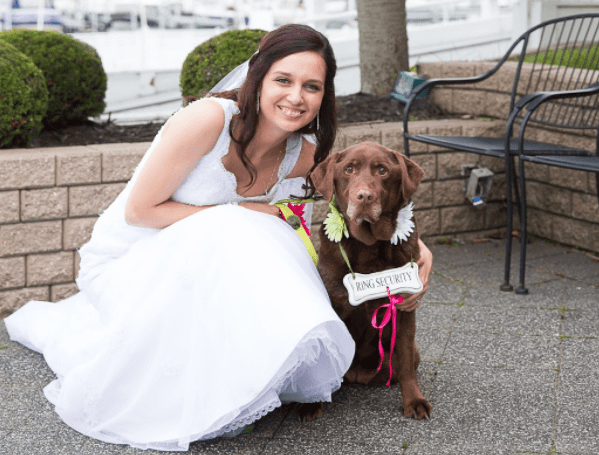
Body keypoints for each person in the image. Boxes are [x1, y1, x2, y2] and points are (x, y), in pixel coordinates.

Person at [4, 24, 432, 452]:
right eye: (283, 80)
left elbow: (363, 204)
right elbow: (139, 212)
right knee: (243, 225)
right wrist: (242, 209)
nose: (296, 96)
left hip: (212, 265)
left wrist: (417, 252)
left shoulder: (304, 154)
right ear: (258, 78)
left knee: (260, 231)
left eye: (312, 86)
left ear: (324, 96)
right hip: (136, 253)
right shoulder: (207, 120)